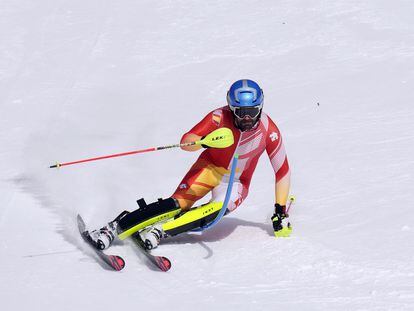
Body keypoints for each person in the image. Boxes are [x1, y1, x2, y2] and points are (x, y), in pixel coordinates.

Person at [89, 79, 291, 251]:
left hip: (236, 182)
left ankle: (160, 230)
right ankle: (112, 227)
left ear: (261, 107)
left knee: (216, 211)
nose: (247, 118)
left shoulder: (268, 130)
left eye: (252, 111)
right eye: (241, 112)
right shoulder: (219, 117)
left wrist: (280, 211)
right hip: (209, 168)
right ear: (231, 108)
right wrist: (203, 142)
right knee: (178, 204)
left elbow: (282, 171)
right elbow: (187, 140)